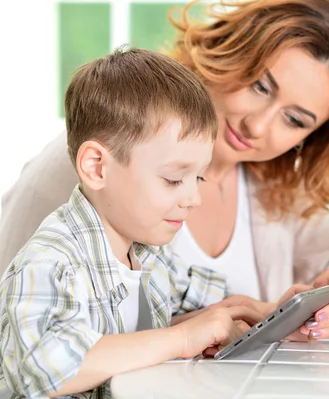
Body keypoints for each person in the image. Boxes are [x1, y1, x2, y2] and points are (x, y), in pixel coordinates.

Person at [0, 0, 329, 340]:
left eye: (295, 120)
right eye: (260, 86)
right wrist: (181, 338)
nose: (257, 125)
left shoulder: (274, 188)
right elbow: (19, 331)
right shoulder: (96, 159)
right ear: (227, 53)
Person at [0, 47, 262, 398]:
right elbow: (44, 370)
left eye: (198, 178)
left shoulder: (148, 254)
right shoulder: (51, 263)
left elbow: (210, 302)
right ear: (96, 167)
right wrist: (182, 338)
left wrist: (271, 312)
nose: (193, 199)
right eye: (173, 179)